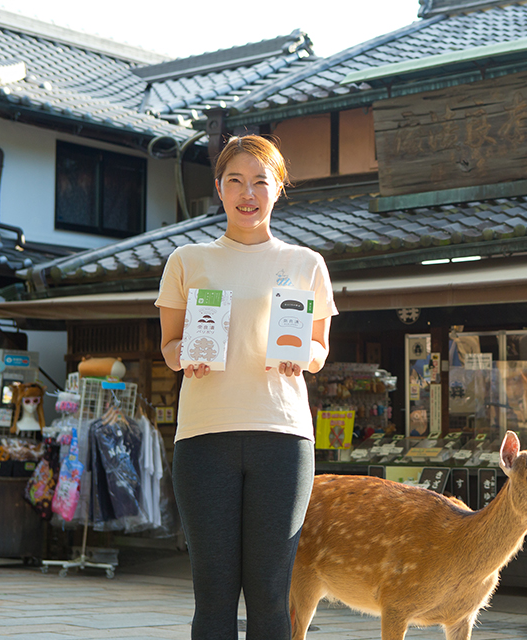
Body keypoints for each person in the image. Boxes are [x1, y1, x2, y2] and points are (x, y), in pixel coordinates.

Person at [156, 134, 336, 640]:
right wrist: (184, 356)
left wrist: (302, 356)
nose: (247, 192)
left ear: (278, 189)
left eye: (260, 180)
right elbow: (169, 346)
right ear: (219, 189)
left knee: (271, 599)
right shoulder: (188, 260)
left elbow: (320, 352)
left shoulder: (306, 264)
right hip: (202, 438)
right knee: (212, 597)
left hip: (283, 438)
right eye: (235, 180)